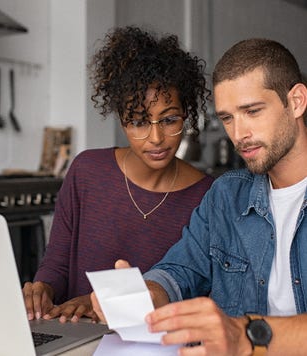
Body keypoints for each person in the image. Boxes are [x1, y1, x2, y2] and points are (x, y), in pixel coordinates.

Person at [92, 38, 307, 355]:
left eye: (252, 111)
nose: (238, 134)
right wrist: (144, 296)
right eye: (228, 117)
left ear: (297, 101)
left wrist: (245, 336)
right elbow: (180, 272)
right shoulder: (226, 195)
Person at [23, 26, 214, 323]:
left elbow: (194, 291)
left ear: (186, 115)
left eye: (169, 120)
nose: (155, 138)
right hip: (74, 337)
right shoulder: (87, 171)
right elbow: (57, 264)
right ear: (122, 121)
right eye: (138, 122)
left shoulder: (208, 196)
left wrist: (99, 302)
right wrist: (42, 289)